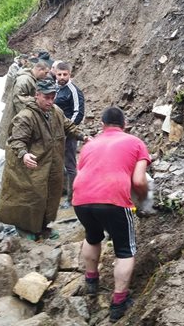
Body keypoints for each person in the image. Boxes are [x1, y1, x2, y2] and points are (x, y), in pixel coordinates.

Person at [72, 107, 151, 322]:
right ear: (124, 124)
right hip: (113, 199)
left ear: (102, 124)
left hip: (80, 198)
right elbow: (139, 181)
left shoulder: (90, 144)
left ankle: (91, 282)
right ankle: (118, 303)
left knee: (92, 236)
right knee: (125, 251)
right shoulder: (136, 143)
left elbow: (83, 172)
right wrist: (143, 201)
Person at [0, 79, 86, 240]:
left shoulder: (56, 111)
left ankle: (43, 226)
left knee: (52, 194)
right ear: (37, 95)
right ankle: (26, 228)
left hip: (52, 163)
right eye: (46, 97)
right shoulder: (26, 116)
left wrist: (84, 137)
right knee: (32, 196)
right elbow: (16, 140)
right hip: (32, 165)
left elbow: (68, 126)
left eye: (53, 97)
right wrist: (24, 154)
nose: (50, 101)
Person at [0, 60, 49, 149]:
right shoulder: (24, 80)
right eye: (45, 73)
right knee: (14, 145)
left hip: (18, 118)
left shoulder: (30, 79)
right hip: (16, 117)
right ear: (39, 70)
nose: (46, 76)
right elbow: (18, 99)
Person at [54, 61, 85, 206]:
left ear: (69, 74)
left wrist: (69, 129)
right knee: (58, 162)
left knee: (70, 164)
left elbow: (78, 112)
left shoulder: (73, 90)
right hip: (55, 133)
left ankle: (73, 198)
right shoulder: (56, 88)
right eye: (59, 74)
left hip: (68, 133)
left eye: (64, 74)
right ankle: (63, 191)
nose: (61, 77)